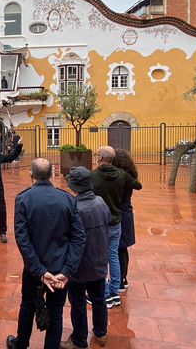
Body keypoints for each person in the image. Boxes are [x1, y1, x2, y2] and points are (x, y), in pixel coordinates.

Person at [7, 158, 86, 349]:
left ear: (31, 174)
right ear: (52, 174)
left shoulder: (24, 198)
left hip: (35, 267)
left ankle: (21, 344)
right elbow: (79, 238)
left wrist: (40, 271)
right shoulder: (67, 198)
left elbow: (22, 238)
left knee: (27, 305)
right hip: (60, 267)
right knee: (56, 311)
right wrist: (67, 271)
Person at [61, 167, 110, 349]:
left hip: (79, 265)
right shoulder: (100, 202)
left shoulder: (73, 207)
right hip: (99, 261)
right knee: (99, 299)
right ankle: (101, 332)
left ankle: (79, 339)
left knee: (78, 302)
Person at [91, 146, 142, 309]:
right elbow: (138, 185)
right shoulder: (125, 176)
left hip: (110, 216)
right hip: (122, 216)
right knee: (119, 250)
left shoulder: (109, 176)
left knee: (107, 254)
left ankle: (108, 290)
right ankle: (118, 284)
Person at [112, 149, 138, 292]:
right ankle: (123, 278)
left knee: (117, 248)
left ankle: (119, 280)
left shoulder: (118, 177)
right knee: (122, 248)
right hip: (127, 212)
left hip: (118, 212)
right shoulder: (130, 175)